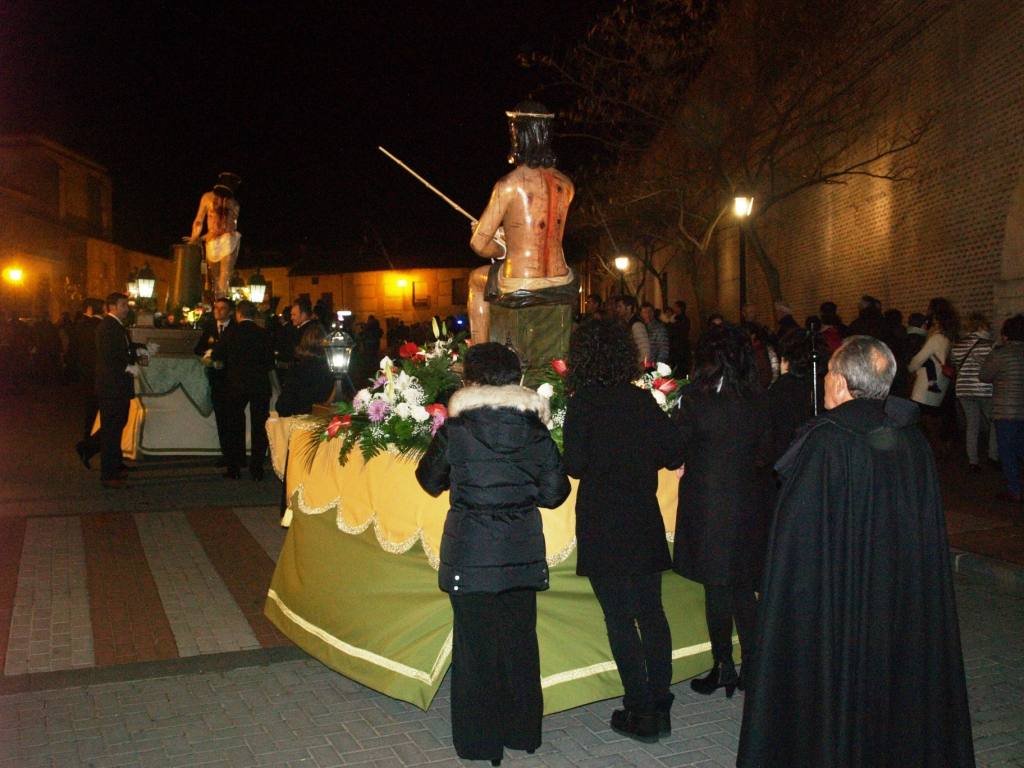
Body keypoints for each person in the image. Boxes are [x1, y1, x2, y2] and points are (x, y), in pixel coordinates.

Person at [737, 336, 975, 767]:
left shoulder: (826, 444)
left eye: (829, 372)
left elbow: (796, 551)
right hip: (896, 608)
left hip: (838, 614)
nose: (825, 380)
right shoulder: (913, 441)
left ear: (844, 385)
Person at [415, 343, 569, 766]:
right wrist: (523, 493)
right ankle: (523, 735)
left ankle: (480, 745)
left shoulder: (457, 430)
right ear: (516, 377)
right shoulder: (534, 430)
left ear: (471, 379)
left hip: (470, 554)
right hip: (521, 551)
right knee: (520, 645)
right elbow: (557, 493)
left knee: (475, 651)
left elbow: (429, 479)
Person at [561, 319, 685, 743]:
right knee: (651, 613)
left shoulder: (583, 404)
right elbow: (672, 452)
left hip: (602, 518)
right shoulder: (641, 401)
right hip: (641, 515)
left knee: (619, 618)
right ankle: (660, 700)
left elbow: (574, 464)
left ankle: (640, 709)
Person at [673, 324, 770, 697]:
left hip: (708, 503)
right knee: (744, 587)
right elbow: (765, 452)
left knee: (717, 589)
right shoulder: (757, 398)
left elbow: (676, 446)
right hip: (747, 501)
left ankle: (724, 665)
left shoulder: (695, 399)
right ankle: (755, 666)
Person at [467, 102, 575, 346]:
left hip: (521, 281)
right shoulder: (566, 184)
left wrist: (501, 247)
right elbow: (544, 234)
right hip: (561, 277)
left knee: (476, 279)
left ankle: (480, 353)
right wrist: (508, 236)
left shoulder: (509, 183)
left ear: (519, 134)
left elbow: (479, 244)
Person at [211, 300, 274, 481]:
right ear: (253, 315)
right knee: (259, 426)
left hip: (236, 384)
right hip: (260, 385)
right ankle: (257, 468)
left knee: (234, 424)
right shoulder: (263, 334)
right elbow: (270, 362)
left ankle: (234, 467)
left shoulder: (232, 332)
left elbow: (217, 354)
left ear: (238, 314)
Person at [89, 293, 143, 489]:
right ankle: (109, 473)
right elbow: (110, 356)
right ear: (111, 306)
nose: (126, 308)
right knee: (111, 429)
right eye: (122, 305)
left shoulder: (116, 325)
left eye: (126, 305)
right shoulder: (108, 327)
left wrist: (140, 351)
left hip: (117, 386)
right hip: (112, 386)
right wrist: (128, 367)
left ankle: (117, 464)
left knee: (118, 424)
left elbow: (124, 349)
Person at [979, 313, 1024, 504]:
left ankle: (1015, 489)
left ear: (1006, 334)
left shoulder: (1000, 353)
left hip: (1006, 411)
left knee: (1007, 451)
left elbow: (984, 375)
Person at [952, 312, 997, 472]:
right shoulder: (990, 345)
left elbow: (955, 364)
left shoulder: (958, 345)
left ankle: (973, 461)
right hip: (985, 389)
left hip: (963, 389)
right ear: (983, 326)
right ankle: (993, 456)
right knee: (993, 422)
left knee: (972, 424)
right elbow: (993, 368)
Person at [193, 297, 235, 466]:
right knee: (221, 419)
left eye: (222, 308)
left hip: (232, 380)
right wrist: (209, 353)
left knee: (233, 419)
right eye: (216, 308)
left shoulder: (235, 328)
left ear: (230, 311)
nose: (218, 311)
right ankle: (226, 453)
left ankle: (234, 455)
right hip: (216, 380)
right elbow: (198, 348)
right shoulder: (210, 328)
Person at [908, 297, 958, 436]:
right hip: (941, 382)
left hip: (927, 386)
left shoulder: (937, 338)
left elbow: (919, 359)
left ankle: (935, 452)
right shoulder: (951, 337)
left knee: (926, 425)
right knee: (935, 421)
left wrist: (910, 368)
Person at [188, 172, 241, 299]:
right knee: (221, 276)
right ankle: (220, 302)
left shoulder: (207, 197)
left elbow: (199, 221)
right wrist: (196, 237)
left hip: (218, 240)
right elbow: (230, 225)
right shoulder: (234, 203)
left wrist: (195, 237)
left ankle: (219, 302)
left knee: (218, 277)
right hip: (225, 239)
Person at [275, 323, 334, 416]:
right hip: (325, 419)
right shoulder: (333, 370)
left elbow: (284, 404)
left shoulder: (298, 369)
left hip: (301, 420)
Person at [72, 298, 103, 467]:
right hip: (96, 375)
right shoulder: (96, 326)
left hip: (87, 374)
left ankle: (87, 443)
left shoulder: (81, 325)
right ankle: (88, 446)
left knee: (91, 410)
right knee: (98, 411)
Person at [612, 295, 650, 366]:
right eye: (617, 307)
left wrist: (640, 368)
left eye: (620, 306)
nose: (617, 309)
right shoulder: (625, 323)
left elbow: (644, 350)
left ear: (629, 307)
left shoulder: (636, 325)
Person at [668, 300, 692, 376]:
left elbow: (676, 332)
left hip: (679, 348)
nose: (673, 308)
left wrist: (671, 324)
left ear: (679, 308)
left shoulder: (680, 319)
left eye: (675, 307)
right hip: (680, 347)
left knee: (679, 370)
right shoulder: (683, 318)